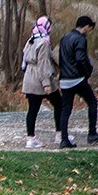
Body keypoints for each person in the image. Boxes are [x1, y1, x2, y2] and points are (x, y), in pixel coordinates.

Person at [58, 15, 98, 149]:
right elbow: (80, 58)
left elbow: (61, 59)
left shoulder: (64, 38)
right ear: (86, 27)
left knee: (66, 110)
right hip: (77, 79)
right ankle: (92, 134)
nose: (89, 31)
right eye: (89, 29)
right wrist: (87, 73)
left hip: (64, 80)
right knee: (92, 101)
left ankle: (64, 139)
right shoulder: (80, 39)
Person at [21, 15, 66, 149]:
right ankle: (60, 134)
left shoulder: (31, 39)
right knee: (59, 104)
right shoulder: (44, 42)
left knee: (32, 110)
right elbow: (43, 64)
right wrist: (46, 83)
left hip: (29, 78)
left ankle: (30, 138)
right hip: (40, 78)